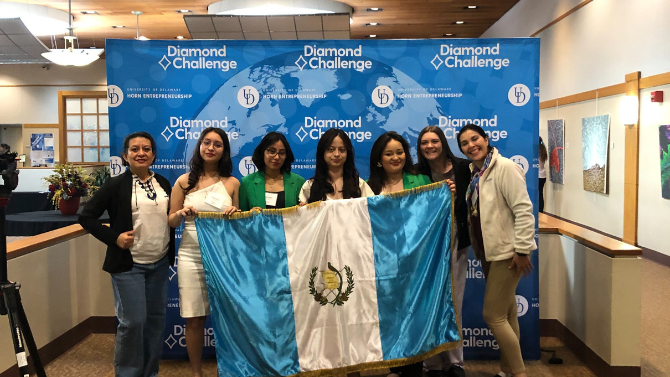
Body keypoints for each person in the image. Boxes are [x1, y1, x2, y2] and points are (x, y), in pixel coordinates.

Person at [79, 132, 175, 377]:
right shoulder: (115, 184)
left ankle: (149, 373)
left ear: (153, 155)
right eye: (134, 149)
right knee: (133, 323)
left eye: (146, 149)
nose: (141, 153)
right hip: (128, 265)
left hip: (160, 263)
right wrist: (115, 238)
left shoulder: (163, 183)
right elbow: (86, 217)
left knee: (154, 322)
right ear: (125, 155)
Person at [457, 124, 536, 377]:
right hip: (488, 253)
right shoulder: (476, 173)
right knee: (508, 312)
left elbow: (523, 211)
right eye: (465, 143)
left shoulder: (505, 168)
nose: (471, 145)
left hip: (508, 253)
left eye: (475, 139)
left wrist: (522, 250)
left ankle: (520, 373)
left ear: (486, 138)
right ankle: (507, 370)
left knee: (493, 316)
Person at [168, 127, 240, 377]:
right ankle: (196, 372)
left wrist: (235, 214)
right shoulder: (183, 182)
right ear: (199, 146)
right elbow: (171, 222)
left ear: (224, 150)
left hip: (224, 258)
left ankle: (230, 369)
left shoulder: (232, 183)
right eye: (206, 143)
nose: (211, 148)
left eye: (217, 144)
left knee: (228, 318)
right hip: (190, 256)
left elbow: (238, 229)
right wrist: (180, 214)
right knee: (195, 318)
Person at [414, 126, 471, 377]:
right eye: (424, 142)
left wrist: (457, 196)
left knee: (454, 302)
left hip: (455, 240)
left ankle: (455, 362)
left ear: (443, 143)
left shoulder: (462, 168)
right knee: (429, 304)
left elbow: (474, 201)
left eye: (434, 141)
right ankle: (432, 363)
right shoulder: (416, 173)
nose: (430, 146)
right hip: (426, 248)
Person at [299, 128, 374, 203]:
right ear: (322, 153)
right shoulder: (309, 186)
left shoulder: (359, 185)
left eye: (342, 150)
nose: (337, 154)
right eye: (331, 149)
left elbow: (373, 210)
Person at [239, 132, 305, 211]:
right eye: (272, 151)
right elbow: (240, 220)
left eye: (281, 153)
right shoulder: (247, 182)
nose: (277, 157)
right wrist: (249, 215)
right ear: (262, 152)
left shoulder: (298, 182)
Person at [538, 137, 548, 213]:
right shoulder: (543, 151)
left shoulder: (535, 152)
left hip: (537, 176)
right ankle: (540, 211)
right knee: (540, 194)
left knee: (537, 195)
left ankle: (538, 211)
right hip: (543, 176)